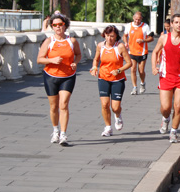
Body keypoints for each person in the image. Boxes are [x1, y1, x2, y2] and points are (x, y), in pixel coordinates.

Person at [37, 13, 82, 146]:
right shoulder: (49, 41)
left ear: (65, 26)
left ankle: (63, 134)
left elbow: (78, 54)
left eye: (60, 25)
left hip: (68, 76)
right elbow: (39, 59)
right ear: (52, 27)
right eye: (55, 25)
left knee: (64, 104)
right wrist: (52, 60)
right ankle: (55, 130)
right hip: (51, 76)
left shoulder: (72, 41)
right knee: (54, 106)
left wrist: (75, 62)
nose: (58, 27)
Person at [151, 14, 180, 143]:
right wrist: (154, 67)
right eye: (176, 22)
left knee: (178, 107)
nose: (179, 25)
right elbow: (155, 52)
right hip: (166, 76)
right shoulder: (164, 38)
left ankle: (173, 131)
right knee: (166, 107)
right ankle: (165, 119)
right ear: (171, 24)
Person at [90, 25, 132, 137]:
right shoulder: (100, 46)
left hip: (117, 79)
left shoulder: (120, 47)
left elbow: (129, 63)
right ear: (104, 35)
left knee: (115, 107)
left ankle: (118, 116)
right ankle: (108, 127)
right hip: (103, 78)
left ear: (116, 36)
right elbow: (96, 59)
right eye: (107, 36)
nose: (109, 38)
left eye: (112, 36)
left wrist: (119, 70)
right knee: (104, 104)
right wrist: (94, 67)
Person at [123, 12, 154, 95]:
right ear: (133, 18)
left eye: (139, 19)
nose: (137, 21)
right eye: (136, 19)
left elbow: (151, 38)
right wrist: (126, 43)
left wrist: (143, 40)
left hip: (142, 51)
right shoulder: (128, 26)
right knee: (133, 69)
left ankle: (142, 83)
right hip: (131, 51)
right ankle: (134, 87)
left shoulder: (145, 26)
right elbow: (125, 35)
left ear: (141, 19)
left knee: (141, 71)